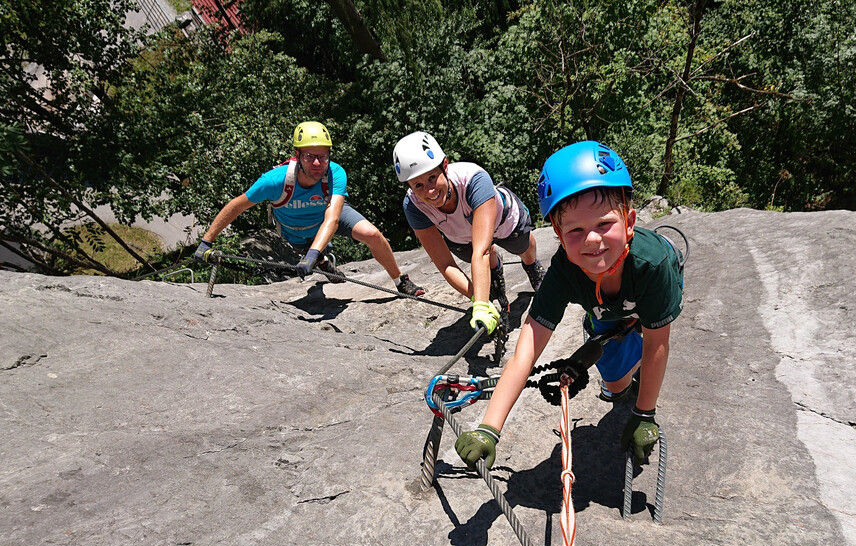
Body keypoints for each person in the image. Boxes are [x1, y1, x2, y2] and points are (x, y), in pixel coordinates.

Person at [454, 141, 684, 471]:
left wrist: (645, 413)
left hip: (647, 290)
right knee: (616, 386)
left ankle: (625, 333)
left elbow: (658, 343)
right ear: (560, 237)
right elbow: (526, 352)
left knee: (644, 334)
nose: (592, 239)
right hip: (608, 309)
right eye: (576, 230)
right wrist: (488, 429)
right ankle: (619, 341)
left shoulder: (653, 265)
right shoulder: (564, 271)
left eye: (604, 224)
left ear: (630, 222)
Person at [195, 121, 425, 297]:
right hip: (296, 231)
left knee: (372, 234)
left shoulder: (335, 173)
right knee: (312, 253)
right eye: (309, 156)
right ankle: (321, 261)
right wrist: (207, 241)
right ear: (297, 155)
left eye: (322, 157)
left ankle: (400, 281)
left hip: (327, 217)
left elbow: (333, 219)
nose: (317, 163)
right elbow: (237, 206)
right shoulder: (274, 181)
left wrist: (312, 254)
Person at [392, 131, 546, 335]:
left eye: (432, 178)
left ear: (445, 166)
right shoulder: (413, 206)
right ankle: (494, 269)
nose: (429, 191)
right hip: (462, 237)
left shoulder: (474, 179)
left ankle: (531, 264)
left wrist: (480, 305)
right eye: (418, 185)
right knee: (484, 261)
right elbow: (445, 264)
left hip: (503, 219)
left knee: (523, 248)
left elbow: (481, 252)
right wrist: (478, 299)